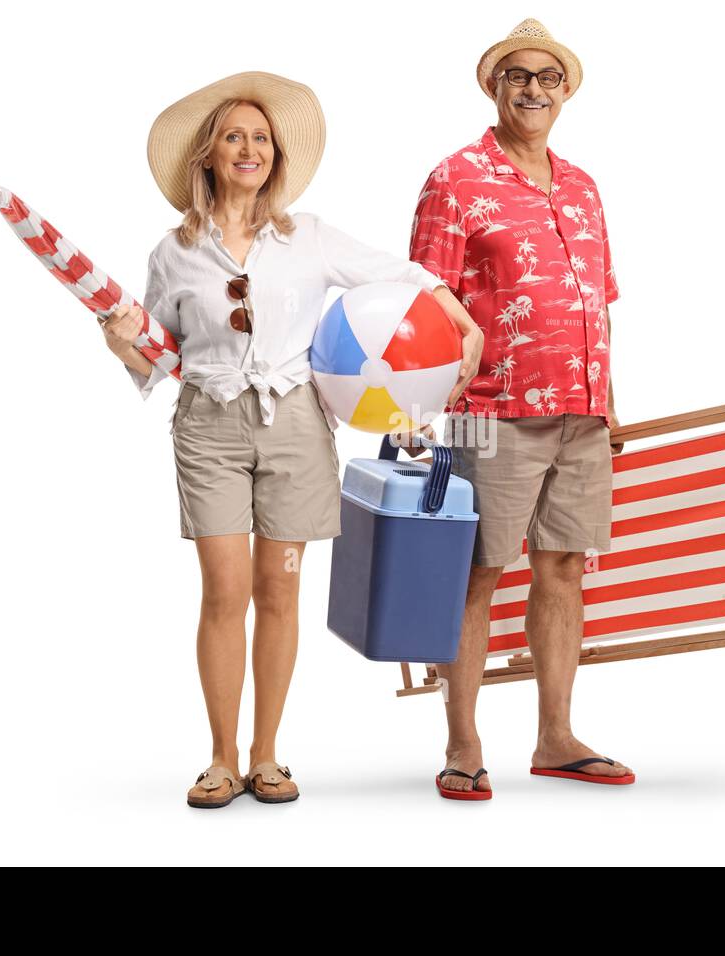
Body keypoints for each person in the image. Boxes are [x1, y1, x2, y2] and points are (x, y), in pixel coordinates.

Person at [99, 71, 482, 808]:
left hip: (298, 425)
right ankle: (219, 758)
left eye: (262, 139)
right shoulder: (173, 253)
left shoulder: (306, 237)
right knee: (226, 589)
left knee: (279, 589)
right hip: (208, 424)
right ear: (208, 155)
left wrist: (454, 313)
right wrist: (121, 343)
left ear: (276, 156)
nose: (250, 149)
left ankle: (267, 755)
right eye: (234, 137)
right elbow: (155, 355)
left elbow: (397, 272)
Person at [407, 21, 634, 799]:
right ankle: (463, 741)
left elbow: (598, 303)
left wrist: (611, 399)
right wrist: (417, 408)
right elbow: (425, 301)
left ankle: (556, 736)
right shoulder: (455, 178)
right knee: (476, 574)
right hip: (487, 411)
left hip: (582, 411)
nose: (533, 88)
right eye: (517, 75)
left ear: (564, 91)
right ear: (494, 86)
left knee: (565, 567)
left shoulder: (582, 186)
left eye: (548, 77)